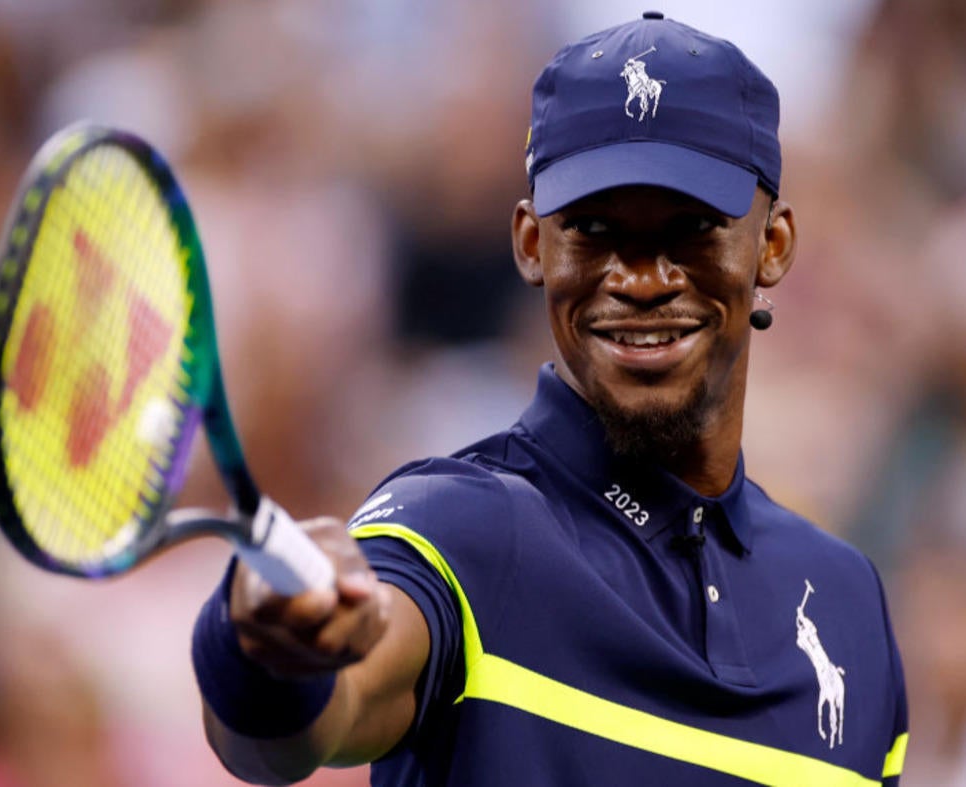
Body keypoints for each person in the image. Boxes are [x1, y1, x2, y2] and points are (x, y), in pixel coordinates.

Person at [192, 12, 908, 786]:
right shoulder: (458, 527)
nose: (640, 278)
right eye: (595, 229)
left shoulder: (849, 604)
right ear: (533, 245)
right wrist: (263, 650)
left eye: (692, 227)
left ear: (771, 246)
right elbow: (291, 728)